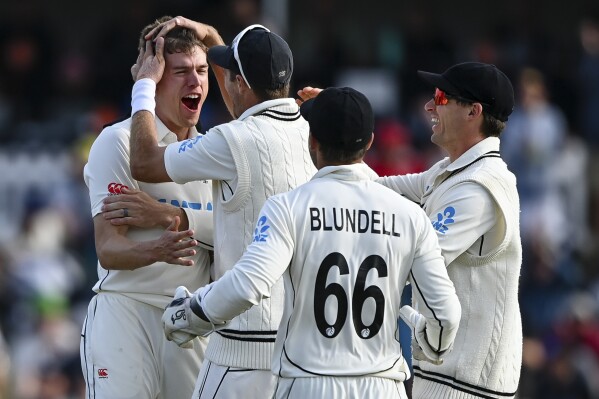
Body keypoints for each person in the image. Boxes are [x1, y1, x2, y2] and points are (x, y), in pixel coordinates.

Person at [161, 87, 461, 399]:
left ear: (312, 141)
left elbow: (247, 284)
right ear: (370, 142)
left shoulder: (288, 207)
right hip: (383, 387)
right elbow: (446, 314)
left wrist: (188, 314)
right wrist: (435, 344)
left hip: (308, 384)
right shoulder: (410, 216)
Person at [128, 17, 316, 398]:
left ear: (240, 83)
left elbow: (144, 161)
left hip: (242, 347)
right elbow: (245, 109)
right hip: (301, 349)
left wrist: (144, 84)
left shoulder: (231, 140)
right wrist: (212, 37)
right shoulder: (311, 132)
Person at [80, 16, 214, 399]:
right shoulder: (117, 141)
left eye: (202, 71)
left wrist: (168, 216)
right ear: (153, 81)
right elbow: (108, 249)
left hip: (193, 322)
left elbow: (236, 231)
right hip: (127, 311)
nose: (196, 83)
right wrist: (154, 249)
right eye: (182, 72)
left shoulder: (216, 152)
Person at [377, 62, 523, 398]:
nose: (429, 106)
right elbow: (374, 188)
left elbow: (417, 260)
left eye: (442, 98)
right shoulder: (451, 171)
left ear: (474, 112)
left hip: (468, 385)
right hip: (447, 377)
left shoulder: (480, 186)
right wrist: (336, 130)